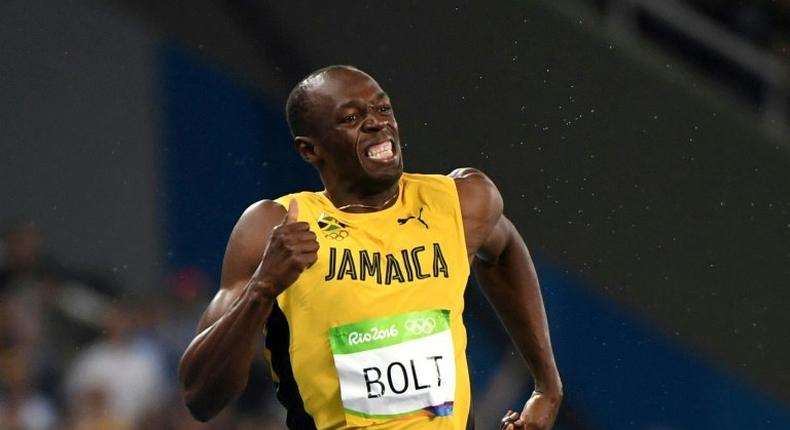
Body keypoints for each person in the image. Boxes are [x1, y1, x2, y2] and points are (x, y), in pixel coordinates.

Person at [178, 65, 562, 429]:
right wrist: (262, 288)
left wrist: (546, 386)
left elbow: (504, 248)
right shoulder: (274, 226)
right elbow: (201, 397)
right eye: (351, 118)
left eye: (382, 108)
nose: (377, 122)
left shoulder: (458, 202)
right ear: (310, 151)